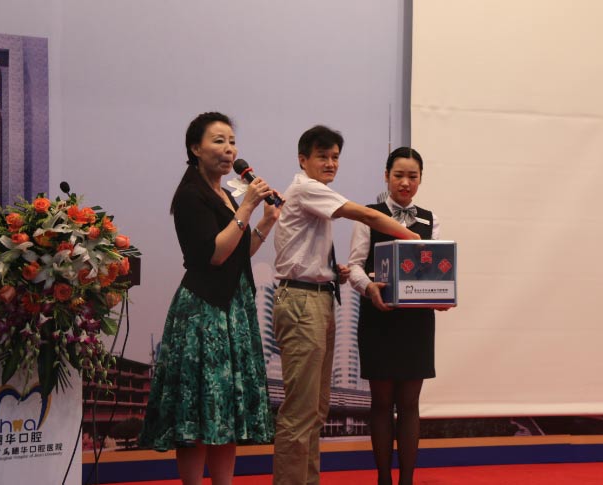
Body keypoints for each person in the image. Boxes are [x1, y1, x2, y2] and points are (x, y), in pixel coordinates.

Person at [271, 126, 419, 485]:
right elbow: (367, 216)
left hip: (318, 297)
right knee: (301, 412)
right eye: (322, 156)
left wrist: (329, 272)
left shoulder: (313, 193)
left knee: (315, 411)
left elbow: (304, 255)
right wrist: (413, 238)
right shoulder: (308, 189)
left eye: (335, 157)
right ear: (302, 159)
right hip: (303, 302)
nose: (330, 163)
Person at [139, 112, 278, 485]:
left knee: (224, 412)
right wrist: (247, 207)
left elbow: (237, 252)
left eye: (232, 141)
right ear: (195, 148)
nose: (229, 149)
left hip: (234, 308)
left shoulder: (226, 194)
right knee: (198, 411)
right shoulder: (191, 195)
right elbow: (214, 255)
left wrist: (265, 221)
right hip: (204, 312)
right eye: (219, 141)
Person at [347, 147, 439, 485]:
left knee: (410, 404)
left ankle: (407, 481)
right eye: (398, 175)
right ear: (386, 176)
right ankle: (384, 479)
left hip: (417, 323)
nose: (405, 182)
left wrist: (441, 295)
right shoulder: (368, 215)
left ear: (420, 179)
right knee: (382, 403)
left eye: (412, 176)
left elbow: (435, 270)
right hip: (379, 318)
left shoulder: (430, 219)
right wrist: (369, 288)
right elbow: (355, 266)